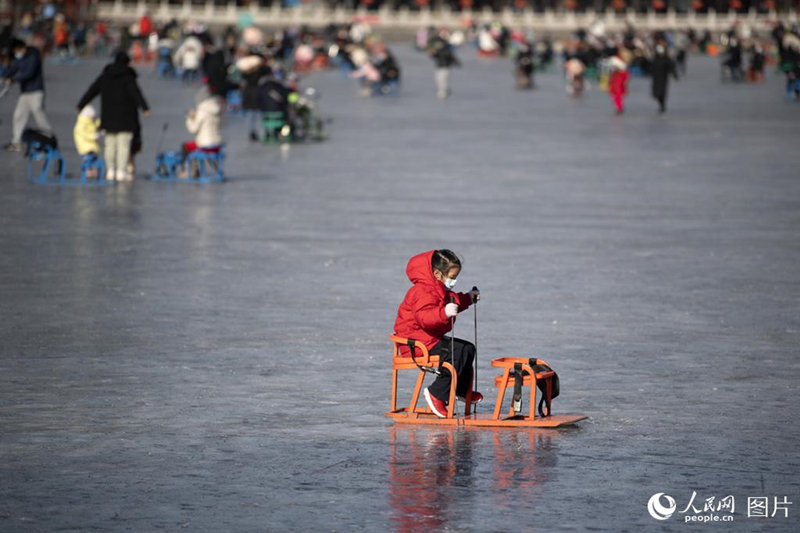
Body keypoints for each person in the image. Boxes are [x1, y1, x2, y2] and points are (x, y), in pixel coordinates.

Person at [393, 250, 482, 418]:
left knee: (467, 348)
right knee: (457, 352)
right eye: (452, 277)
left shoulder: (438, 288)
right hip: (415, 344)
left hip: (428, 339)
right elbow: (425, 318)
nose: (454, 281)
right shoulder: (422, 291)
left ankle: (461, 390)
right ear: (437, 273)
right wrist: (444, 313)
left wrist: (468, 298)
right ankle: (437, 393)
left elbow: (453, 300)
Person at [77, 51, 150, 181]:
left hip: (108, 117)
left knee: (110, 145)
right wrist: (145, 108)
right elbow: (136, 93)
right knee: (123, 146)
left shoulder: (106, 76)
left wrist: (81, 104)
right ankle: (121, 171)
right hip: (126, 118)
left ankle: (110, 170)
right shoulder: (128, 77)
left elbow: (93, 90)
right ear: (127, 63)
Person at [3, 39, 53, 152]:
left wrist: (14, 79)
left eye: (17, 50)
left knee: (38, 113)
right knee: (19, 115)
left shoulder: (33, 56)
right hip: (25, 92)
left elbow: (28, 72)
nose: (17, 53)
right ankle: (16, 142)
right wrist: (5, 73)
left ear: (23, 48)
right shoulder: (19, 59)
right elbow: (13, 68)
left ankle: (48, 137)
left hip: (36, 91)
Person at [178, 86, 222, 177]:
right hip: (217, 144)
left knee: (186, 146)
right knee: (193, 145)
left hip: (205, 145)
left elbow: (193, 129)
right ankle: (197, 170)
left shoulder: (202, 111)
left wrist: (190, 118)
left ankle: (190, 171)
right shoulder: (216, 109)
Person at [428, 31, 460, 99]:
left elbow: (451, 57)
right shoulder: (438, 50)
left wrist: (456, 63)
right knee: (438, 80)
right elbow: (435, 56)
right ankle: (444, 91)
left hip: (445, 67)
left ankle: (443, 92)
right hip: (439, 67)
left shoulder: (446, 49)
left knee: (443, 80)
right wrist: (432, 54)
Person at [73, 104, 101, 178]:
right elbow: (83, 134)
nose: (92, 119)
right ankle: (87, 172)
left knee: (93, 159)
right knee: (88, 160)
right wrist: (94, 136)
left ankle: (92, 172)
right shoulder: (81, 124)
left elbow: (94, 126)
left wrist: (101, 121)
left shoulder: (89, 122)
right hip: (85, 147)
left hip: (90, 147)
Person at [651, 44, 678, 114]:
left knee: (662, 93)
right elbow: (651, 67)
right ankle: (661, 105)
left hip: (663, 78)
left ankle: (662, 106)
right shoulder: (655, 59)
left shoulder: (666, 59)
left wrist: (674, 75)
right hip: (656, 78)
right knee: (656, 94)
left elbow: (671, 67)